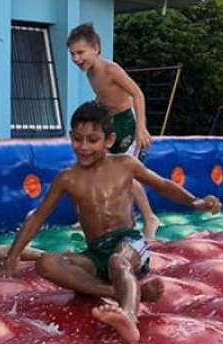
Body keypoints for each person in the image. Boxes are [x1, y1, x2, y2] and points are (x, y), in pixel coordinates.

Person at [2, 101, 221, 344]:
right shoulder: (67, 178)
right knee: (46, 263)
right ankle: (122, 292)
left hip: (129, 243)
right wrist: (12, 256)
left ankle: (128, 317)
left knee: (119, 260)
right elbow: (38, 216)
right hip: (96, 253)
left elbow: (162, 185)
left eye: (92, 139)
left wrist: (195, 202)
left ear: (109, 140)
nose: (84, 147)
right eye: (77, 139)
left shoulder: (124, 165)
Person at [67, 23, 161, 240]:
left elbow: (137, 94)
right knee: (96, 166)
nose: (76, 58)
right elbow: (107, 95)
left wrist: (141, 127)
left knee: (126, 173)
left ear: (96, 48)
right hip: (110, 123)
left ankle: (150, 217)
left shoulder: (110, 69)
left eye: (80, 52)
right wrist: (98, 103)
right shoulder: (90, 73)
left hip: (127, 124)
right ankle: (95, 216)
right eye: (72, 54)